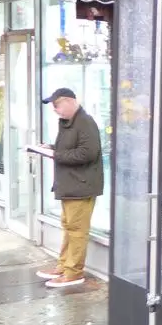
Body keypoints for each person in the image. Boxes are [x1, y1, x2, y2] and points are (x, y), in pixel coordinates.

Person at [36, 88, 104, 288]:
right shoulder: (69, 124)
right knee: (69, 227)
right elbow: (71, 150)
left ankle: (74, 272)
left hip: (81, 185)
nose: (55, 110)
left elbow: (87, 153)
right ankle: (64, 266)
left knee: (76, 230)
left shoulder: (85, 122)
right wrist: (51, 148)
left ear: (69, 101)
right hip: (71, 184)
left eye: (57, 105)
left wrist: (57, 155)